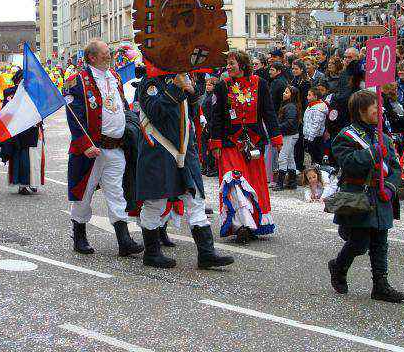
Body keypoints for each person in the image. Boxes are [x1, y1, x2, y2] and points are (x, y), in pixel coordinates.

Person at [136, 71, 233, 269]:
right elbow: (155, 111)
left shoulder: (179, 77)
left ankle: (206, 254)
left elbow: (190, 111)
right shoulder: (150, 82)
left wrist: (191, 92)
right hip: (160, 151)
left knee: (196, 200)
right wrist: (176, 88)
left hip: (184, 150)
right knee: (155, 202)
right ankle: (152, 253)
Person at [64, 40, 143, 257]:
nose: (110, 56)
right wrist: (85, 145)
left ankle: (124, 240)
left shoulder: (115, 77)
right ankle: (79, 234)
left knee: (117, 193)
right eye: (106, 53)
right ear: (92, 57)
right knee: (84, 192)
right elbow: (73, 116)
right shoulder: (76, 81)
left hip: (116, 148)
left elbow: (122, 107)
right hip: (92, 150)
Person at [328, 90, 404, 303]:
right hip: (359, 195)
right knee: (359, 242)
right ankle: (339, 266)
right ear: (361, 111)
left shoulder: (383, 137)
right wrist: (372, 153)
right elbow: (348, 162)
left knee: (380, 241)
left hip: (381, 196)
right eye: (375, 107)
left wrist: (390, 188)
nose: (379, 111)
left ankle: (380, 285)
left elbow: (395, 168)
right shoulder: (345, 136)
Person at [209, 51, 282, 241]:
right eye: (228, 63)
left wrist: (276, 137)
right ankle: (242, 225)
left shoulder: (260, 84)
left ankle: (253, 222)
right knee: (234, 182)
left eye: (232, 63)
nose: (229, 67)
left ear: (242, 64)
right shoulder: (222, 86)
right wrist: (215, 142)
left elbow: (269, 112)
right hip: (229, 142)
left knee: (253, 183)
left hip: (253, 144)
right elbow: (215, 117)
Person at [0, 69, 43, 195]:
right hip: (18, 130)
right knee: (21, 157)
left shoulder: (36, 92)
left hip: (34, 128)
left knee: (34, 157)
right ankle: (22, 184)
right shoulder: (10, 92)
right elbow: (6, 112)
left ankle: (34, 182)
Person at [272, 85, 300, 191]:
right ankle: (292, 182)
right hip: (291, 134)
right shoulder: (289, 105)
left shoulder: (290, 107)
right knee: (290, 158)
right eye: (284, 91)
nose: (284, 93)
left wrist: (277, 127)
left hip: (289, 135)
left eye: (287, 92)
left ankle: (280, 183)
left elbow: (290, 122)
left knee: (282, 158)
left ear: (292, 95)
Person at [303, 86, 329, 165]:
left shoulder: (319, 109)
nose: (307, 97)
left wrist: (311, 137)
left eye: (310, 95)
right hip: (309, 136)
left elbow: (316, 124)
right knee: (312, 156)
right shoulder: (310, 106)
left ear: (316, 96)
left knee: (317, 157)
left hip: (315, 137)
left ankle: (318, 171)